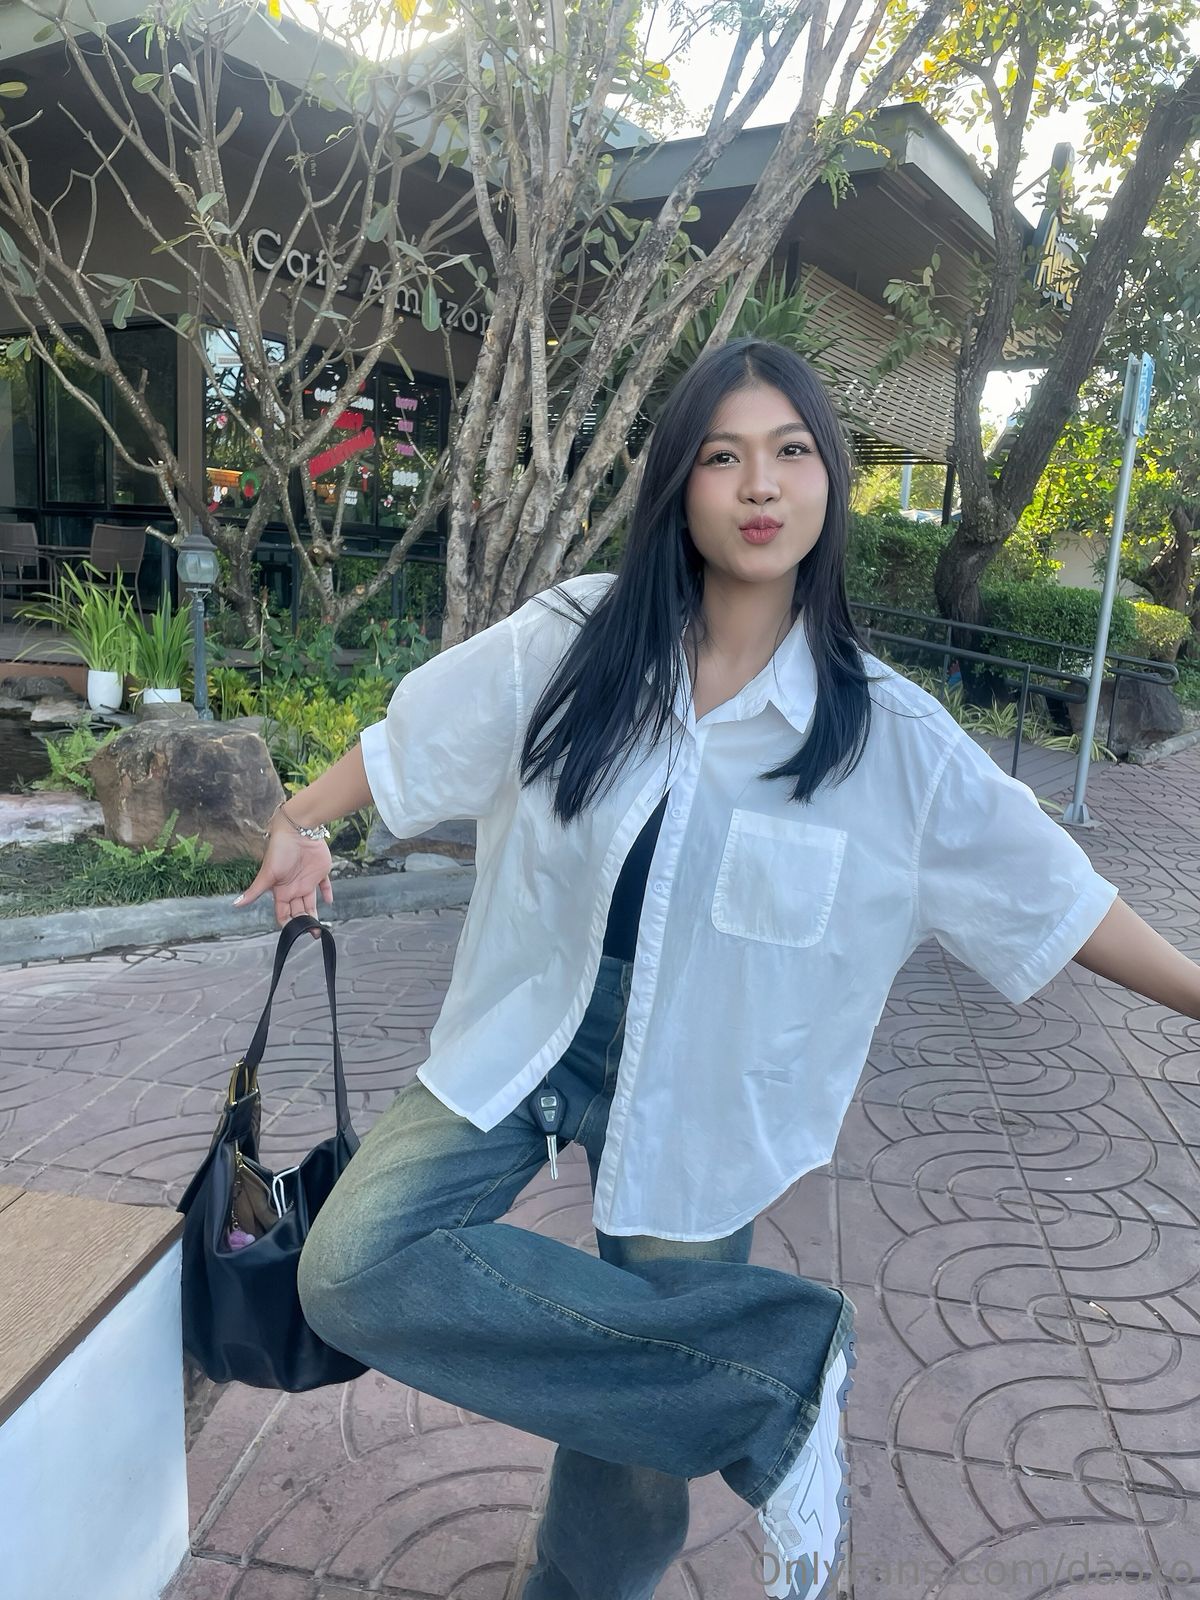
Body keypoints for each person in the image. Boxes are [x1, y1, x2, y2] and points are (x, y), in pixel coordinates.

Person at [234, 337, 1200, 1600]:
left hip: (703, 1082)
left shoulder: (888, 738)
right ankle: (774, 1373)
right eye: (722, 455)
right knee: (353, 1263)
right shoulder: (577, 637)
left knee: (633, 1416)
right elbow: (418, 736)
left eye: (791, 452)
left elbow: (1057, 896)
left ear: (829, 480)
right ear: (680, 487)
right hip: (534, 1025)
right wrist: (300, 819)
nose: (760, 484)